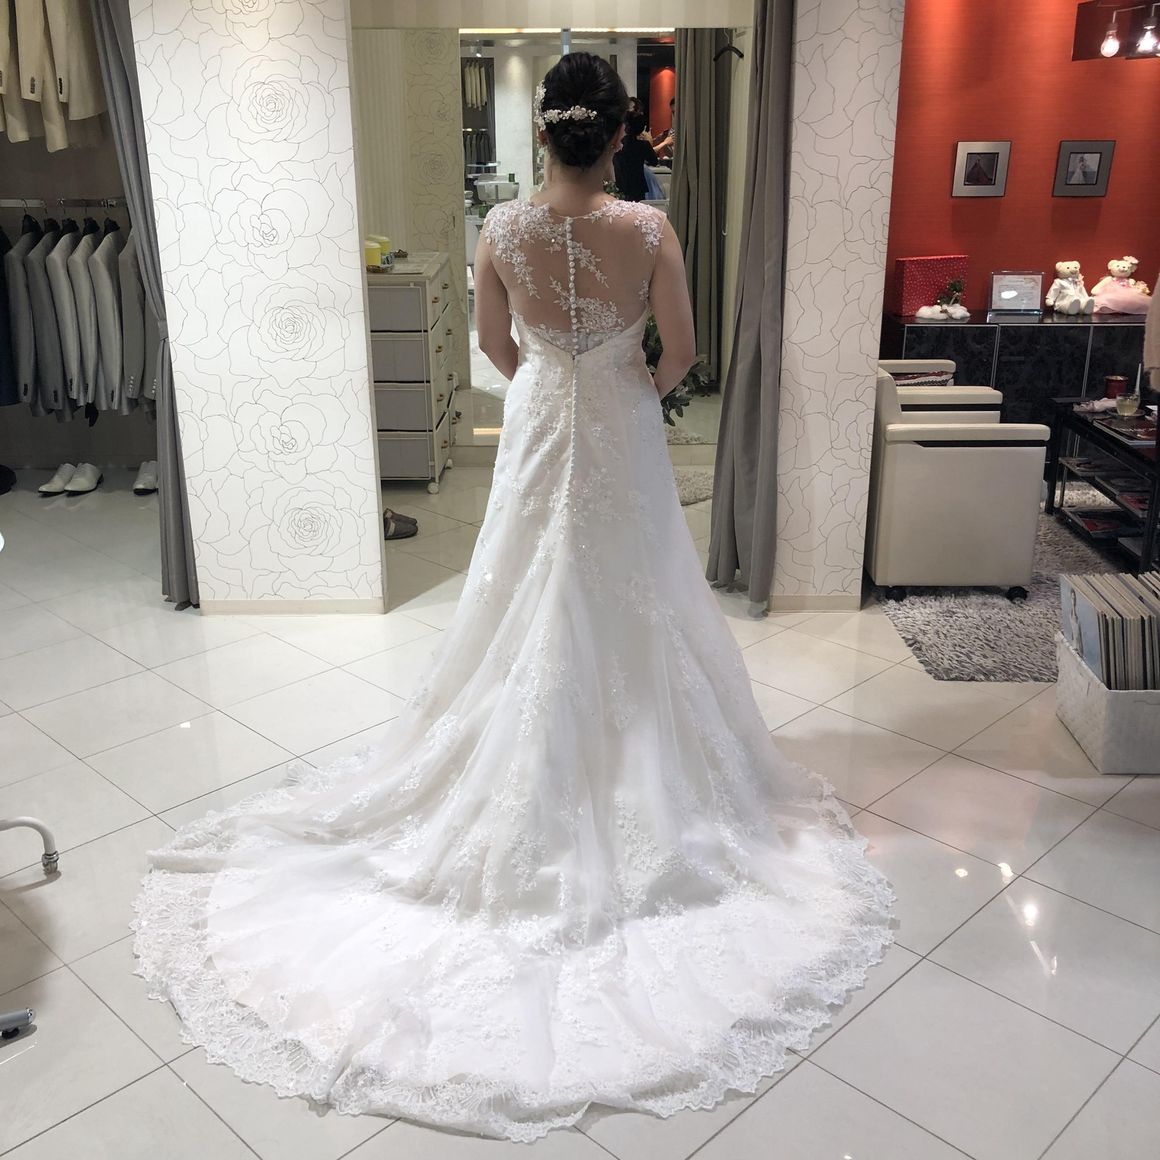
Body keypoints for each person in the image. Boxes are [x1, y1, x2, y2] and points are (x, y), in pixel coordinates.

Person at [132, 52, 894, 1143]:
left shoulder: (500, 229)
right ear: (620, 134)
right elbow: (682, 349)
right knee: (638, 589)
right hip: (619, 425)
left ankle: (514, 756)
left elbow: (494, 348)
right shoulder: (649, 229)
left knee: (522, 585)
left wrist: (553, 366)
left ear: (544, 134)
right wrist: (630, 384)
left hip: (540, 418)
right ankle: (639, 762)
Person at [612, 110, 658, 200]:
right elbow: (654, 162)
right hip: (638, 185)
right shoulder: (644, 145)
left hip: (620, 184)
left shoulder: (618, 144)